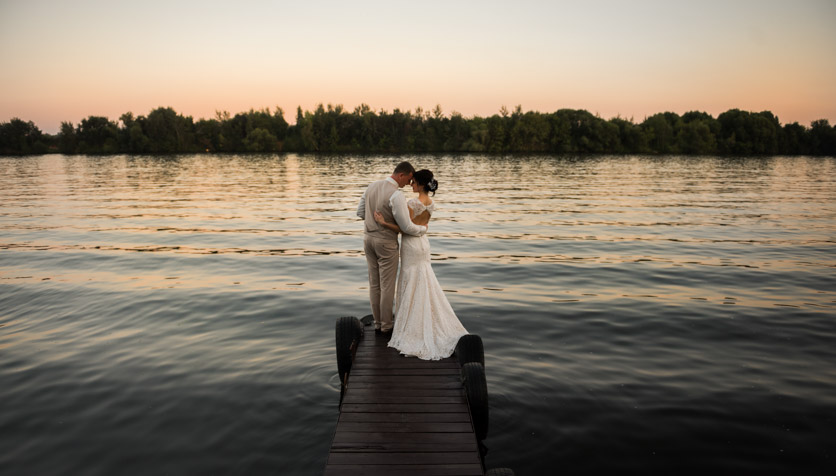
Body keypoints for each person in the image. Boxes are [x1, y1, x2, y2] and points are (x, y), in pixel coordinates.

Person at [373, 169, 468, 360]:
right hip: (423, 244)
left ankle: (412, 326)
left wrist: (383, 223)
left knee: (411, 280)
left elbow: (404, 228)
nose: (411, 184)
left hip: (411, 245)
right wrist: (420, 229)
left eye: (414, 182)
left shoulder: (412, 203)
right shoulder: (431, 203)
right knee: (424, 279)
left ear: (422, 184)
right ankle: (427, 319)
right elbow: (423, 226)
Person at [357, 162, 428, 335]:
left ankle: (377, 323)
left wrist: (373, 220)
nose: (408, 184)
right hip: (386, 243)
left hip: (367, 239)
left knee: (374, 284)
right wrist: (423, 229)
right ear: (402, 175)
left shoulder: (371, 186)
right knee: (387, 286)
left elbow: (360, 212)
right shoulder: (396, 196)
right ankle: (387, 326)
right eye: (409, 179)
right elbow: (406, 227)